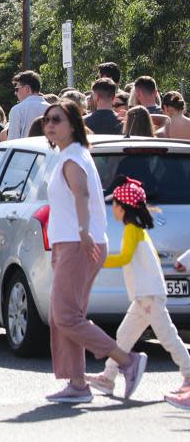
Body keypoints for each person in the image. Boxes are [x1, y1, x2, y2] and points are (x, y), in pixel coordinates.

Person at [41, 101, 147, 403]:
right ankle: (77, 384)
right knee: (65, 315)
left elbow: (83, 194)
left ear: (72, 124)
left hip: (79, 243)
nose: (50, 125)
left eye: (57, 120)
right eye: (47, 120)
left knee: (65, 315)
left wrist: (83, 231)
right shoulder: (69, 155)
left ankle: (126, 362)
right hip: (69, 242)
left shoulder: (73, 157)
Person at [83, 177, 190, 399]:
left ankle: (189, 375)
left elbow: (124, 258)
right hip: (144, 296)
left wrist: (98, 261)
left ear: (123, 208)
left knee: (167, 336)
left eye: (114, 204)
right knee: (124, 334)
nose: (112, 208)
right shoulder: (137, 229)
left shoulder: (132, 229)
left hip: (148, 296)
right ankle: (108, 377)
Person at [7, 70, 49, 140]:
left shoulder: (17, 109)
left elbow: (12, 140)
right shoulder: (51, 108)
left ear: (27, 89)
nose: (15, 93)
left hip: (25, 150)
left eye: (17, 89)